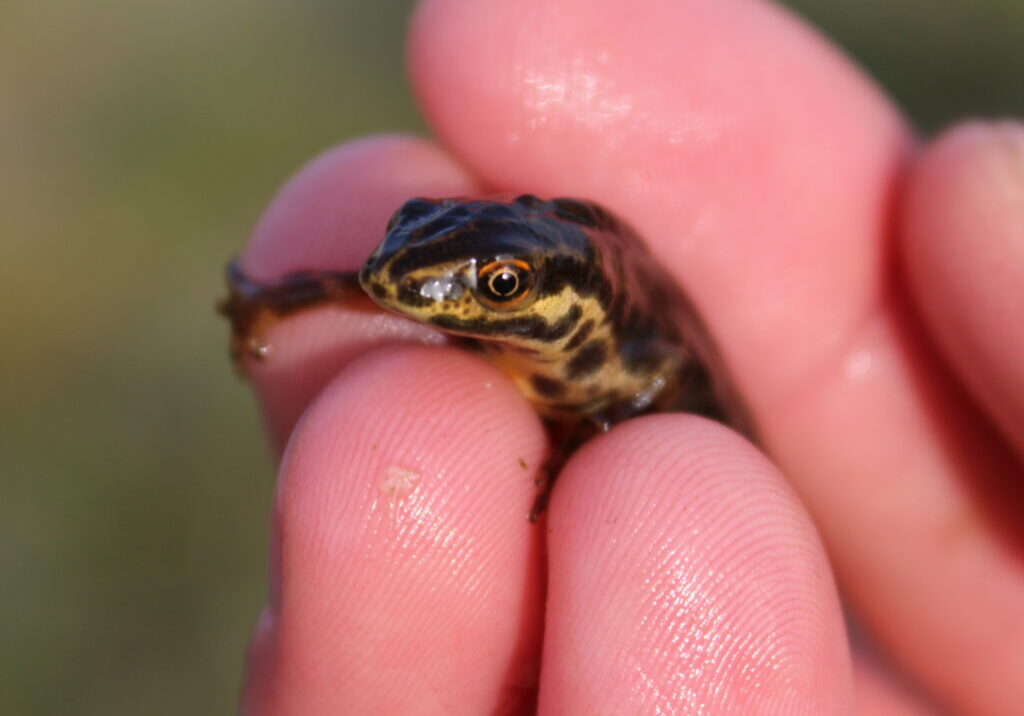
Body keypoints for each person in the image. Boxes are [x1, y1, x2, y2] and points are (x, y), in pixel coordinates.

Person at [236, 1, 1024, 713]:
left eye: (502, 284)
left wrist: (588, 438)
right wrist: (284, 296)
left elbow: (660, 380)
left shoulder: (627, 352)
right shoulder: (496, 298)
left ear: (562, 298)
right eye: (408, 228)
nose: (400, 275)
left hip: (703, 479)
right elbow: (383, 280)